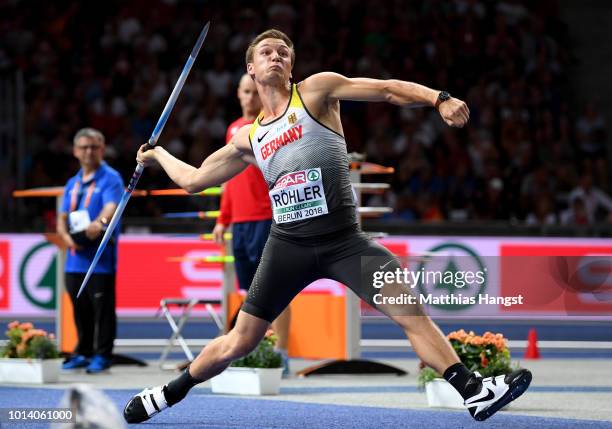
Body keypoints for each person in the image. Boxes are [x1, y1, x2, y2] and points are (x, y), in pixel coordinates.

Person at [124, 29, 531, 423]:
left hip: (345, 242)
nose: (277, 56)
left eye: (284, 52)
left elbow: (386, 89)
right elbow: (194, 180)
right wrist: (159, 156)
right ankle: (167, 394)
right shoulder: (249, 138)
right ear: (250, 67)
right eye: (267, 52)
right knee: (240, 340)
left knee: (411, 312)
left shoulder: (316, 91)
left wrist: (438, 98)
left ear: (292, 65)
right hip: (288, 246)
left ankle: (474, 392)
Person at [213, 74, 292, 372]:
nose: (249, 97)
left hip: (268, 219)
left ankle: (282, 352)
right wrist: (223, 219)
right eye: (244, 92)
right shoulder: (233, 130)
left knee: (278, 289)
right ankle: (256, 350)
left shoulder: (273, 126)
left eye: (253, 92)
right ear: (238, 93)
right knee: (251, 293)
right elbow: (227, 179)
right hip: (241, 224)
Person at [57, 128, 123, 374]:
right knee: (79, 308)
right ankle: (83, 352)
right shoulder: (72, 183)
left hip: (99, 259)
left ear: (102, 149)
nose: (89, 152)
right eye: (84, 147)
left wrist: (99, 223)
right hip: (74, 258)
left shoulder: (110, 178)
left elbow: (110, 207)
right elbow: (62, 217)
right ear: (75, 151)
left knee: (102, 311)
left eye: (94, 147)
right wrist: (65, 237)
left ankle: (102, 355)